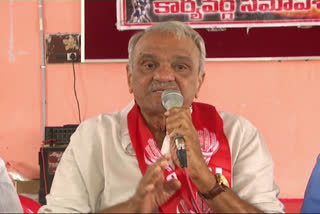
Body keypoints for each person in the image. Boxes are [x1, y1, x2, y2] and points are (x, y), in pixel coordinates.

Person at [39, 21, 284, 213]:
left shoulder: (238, 134)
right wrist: (133, 208)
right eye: (148, 65)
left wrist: (206, 180)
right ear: (129, 77)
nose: (164, 76)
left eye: (180, 67)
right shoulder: (95, 136)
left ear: (199, 82)